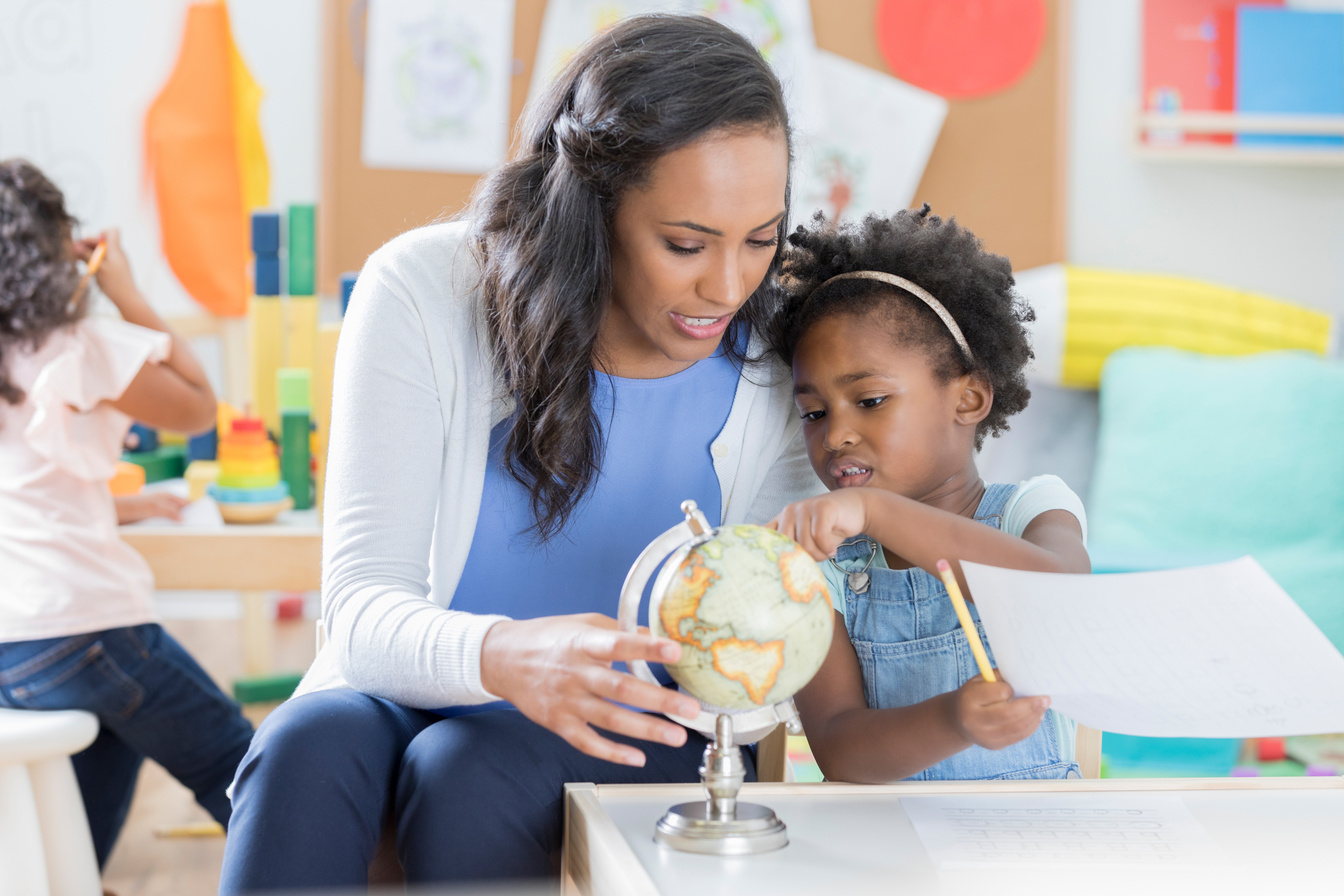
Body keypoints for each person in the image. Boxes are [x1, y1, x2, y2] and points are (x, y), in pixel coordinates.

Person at [219, 14, 823, 892]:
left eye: (761, 241)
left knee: (467, 772)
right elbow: (358, 612)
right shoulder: (424, 292)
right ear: (595, 208)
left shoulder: (779, 365)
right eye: (685, 245)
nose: (727, 286)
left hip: (643, 719)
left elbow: (769, 658)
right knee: (304, 746)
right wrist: (505, 656)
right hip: (409, 682)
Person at [768, 206, 1091, 784]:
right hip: (888, 855)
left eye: (868, 401)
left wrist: (876, 511)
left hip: (1039, 848)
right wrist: (953, 720)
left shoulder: (1031, 508)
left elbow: (1057, 594)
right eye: (813, 413)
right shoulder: (822, 574)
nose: (835, 434)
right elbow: (841, 751)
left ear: (967, 400)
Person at [0, 158, 254, 867]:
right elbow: (200, 402)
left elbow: (28, 488)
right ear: (56, 248)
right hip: (87, 626)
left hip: (15, 643)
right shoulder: (79, 345)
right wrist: (127, 290)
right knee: (241, 769)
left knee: (83, 810)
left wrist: (128, 504)